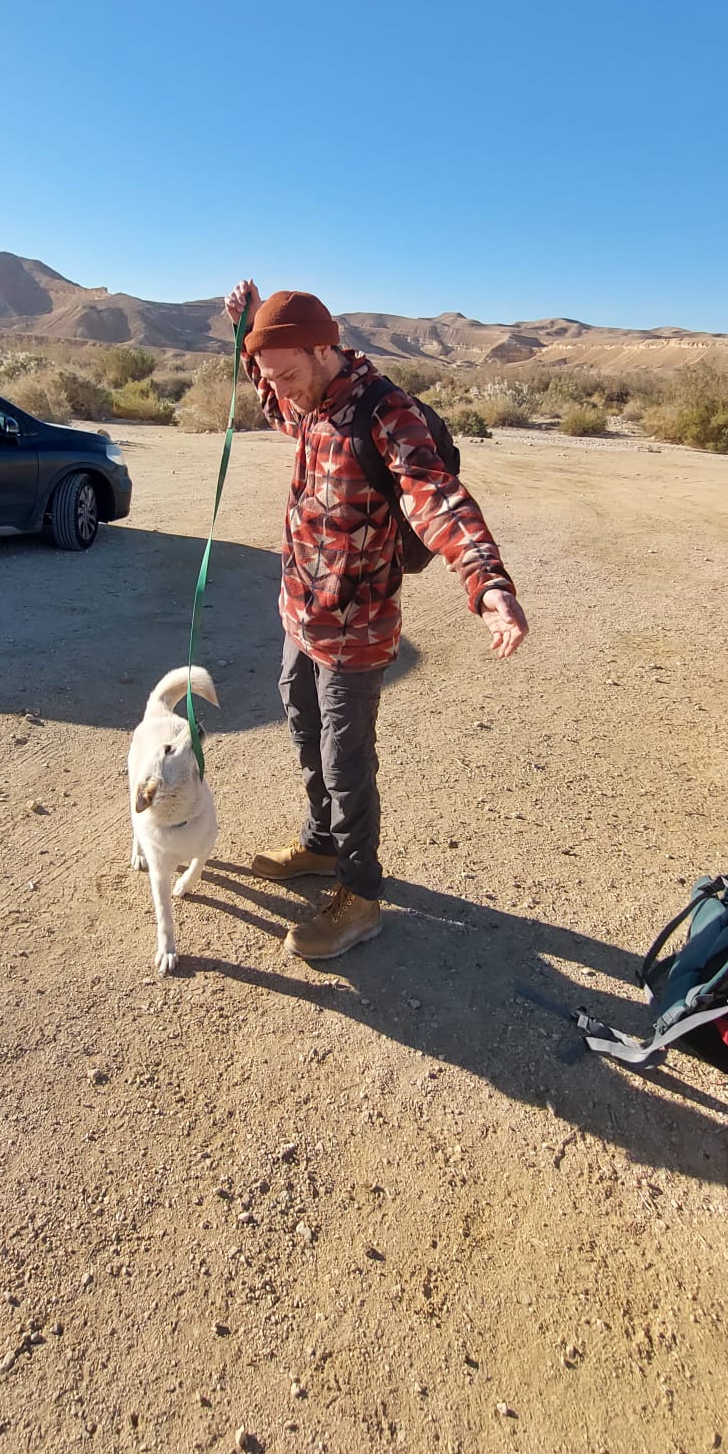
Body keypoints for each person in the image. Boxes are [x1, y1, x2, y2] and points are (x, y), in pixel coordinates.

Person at [225, 278, 528, 962]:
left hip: (356, 627)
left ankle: (360, 898)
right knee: (303, 728)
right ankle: (320, 842)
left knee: (346, 760)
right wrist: (247, 330)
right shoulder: (304, 400)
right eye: (274, 377)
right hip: (300, 612)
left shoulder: (386, 414)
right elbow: (269, 388)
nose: (281, 391)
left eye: (289, 374)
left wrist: (486, 582)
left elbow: (436, 495)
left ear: (324, 349)